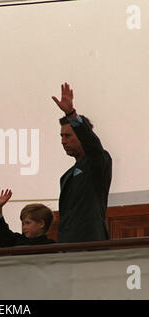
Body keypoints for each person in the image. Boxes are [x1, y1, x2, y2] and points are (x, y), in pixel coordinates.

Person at [51, 83, 112, 243]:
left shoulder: (97, 160)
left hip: (90, 244)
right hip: (69, 248)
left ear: (82, 136)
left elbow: (93, 147)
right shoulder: (67, 176)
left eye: (68, 136)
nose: (63, 141)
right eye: (61, 136)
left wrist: (71, 114)